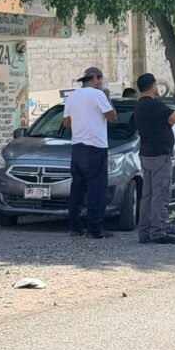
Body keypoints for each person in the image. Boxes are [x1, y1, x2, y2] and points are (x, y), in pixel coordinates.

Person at [63, 66, 117, 239]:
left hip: (77, 147)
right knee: (97, 189)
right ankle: (94, 229)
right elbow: (112, 117)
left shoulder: (72, 96)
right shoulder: (98, 95)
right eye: (100, 78)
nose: (101, 82)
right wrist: (107, 98)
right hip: (95, 146)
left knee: (77, 189)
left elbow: (66, 123)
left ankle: (74, 227)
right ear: (93, 78)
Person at [134, 73, 175, 245]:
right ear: (152, 85)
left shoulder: (139, 107)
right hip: (160, 155)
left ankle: (144, 232)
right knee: (160, 195)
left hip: (146, 153)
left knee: (147, 196)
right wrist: (169, 122)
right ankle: (158, 231)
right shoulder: (155, 105)